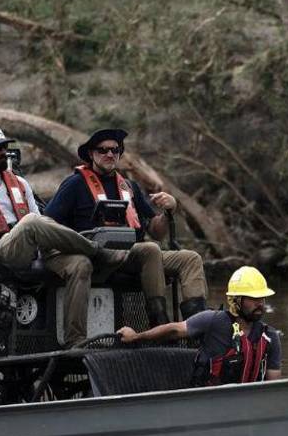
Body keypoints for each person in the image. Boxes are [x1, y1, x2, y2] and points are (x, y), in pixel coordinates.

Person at [0, 123, 131, 347]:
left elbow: (42, 225)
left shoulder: (20, 183)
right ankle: (98, 251)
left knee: (80, 264)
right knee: (31, 222)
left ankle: (75, 340)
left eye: (4, 147)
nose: (3, 152)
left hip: (33, 250)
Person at [44, 128, 208, 327]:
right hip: (97, 255)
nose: (109, 154)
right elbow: (48, 222)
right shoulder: (75, 184)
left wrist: (168, 211)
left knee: (190, 259)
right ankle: (160, 324)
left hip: (135, 255)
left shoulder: (129, 187)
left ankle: (198, 327)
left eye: (115, 150)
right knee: (150, 249)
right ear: (91, 154)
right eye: (103, 150)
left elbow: (156, 231)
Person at [116, 265, 282, 384]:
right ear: (236, 300)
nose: (260, 304)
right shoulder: (212, 321)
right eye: (253, 299)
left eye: (262, 298)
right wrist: (136, 336)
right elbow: (174, 330)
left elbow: (274, 386)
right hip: (211, 402)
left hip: (248, 406)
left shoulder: (270, 337)